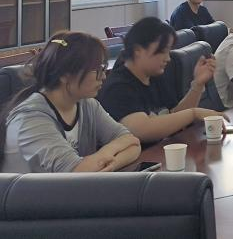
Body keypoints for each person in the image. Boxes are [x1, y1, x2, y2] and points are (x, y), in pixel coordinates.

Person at [0, 32, 141, 173]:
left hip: (76, 186)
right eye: (97, 70)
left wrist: (112, 163)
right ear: (64, 75)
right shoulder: (30, 118)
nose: (103, 76)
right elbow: (76, 172)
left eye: (102, 68)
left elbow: (133, 143)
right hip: (31, 190)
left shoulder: (87, 104)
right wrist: (112, 149)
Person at [98, 17, 228, 144]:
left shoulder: (155, 75)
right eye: (163, 51)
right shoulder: (118, 87)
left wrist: (198, 84)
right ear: (138, 50)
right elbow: (142, 130)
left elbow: (174, 117)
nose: (168, 58)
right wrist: (193, 114)